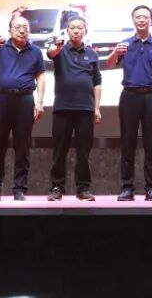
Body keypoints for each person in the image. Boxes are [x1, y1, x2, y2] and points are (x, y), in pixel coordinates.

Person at [106, 5, 152, 201]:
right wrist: (115, 53)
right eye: (137, 17)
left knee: (151, 144)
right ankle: (127, 188)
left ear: (151, 20)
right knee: (127, 144)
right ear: (133, 20)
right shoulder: (125, 44)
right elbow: (109, 64)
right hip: (129, 97)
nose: (141, 20)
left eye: (145, 17)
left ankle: (151, 188)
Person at [0, 16, 45, 201]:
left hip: (25, 101)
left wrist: (40, 102)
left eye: (25, 27)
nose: (22, 30)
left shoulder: (35, 51)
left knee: (22, 147)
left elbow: (41, 76)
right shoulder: (0, 48)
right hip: (1, 100)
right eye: (17, 27)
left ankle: (19, 189)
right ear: (10, 30)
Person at [45, 17, 101, 202]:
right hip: (63, 108)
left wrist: (97, 107)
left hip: (86, 109)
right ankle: (56, 187)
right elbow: (51, 53)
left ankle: (83, 188)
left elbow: (97, 82)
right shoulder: (60, 50)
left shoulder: (92, 54)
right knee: (59, 150)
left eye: (79, 28)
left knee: (83, 152)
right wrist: (56, 47)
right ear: (67, 30)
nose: (76, 31)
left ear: (85, 30)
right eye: (72, 28)